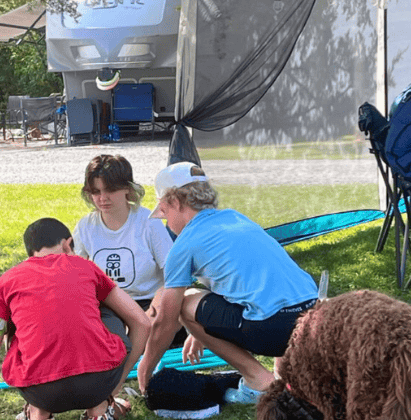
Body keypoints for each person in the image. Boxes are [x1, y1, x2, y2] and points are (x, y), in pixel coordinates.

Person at [136, 162, 319, 404]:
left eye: (164, 213)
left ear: (175, 203)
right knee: (271, 301)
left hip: (272, 330)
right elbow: (239, 280)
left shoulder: (184, 243)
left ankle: (258, 382)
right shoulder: (235, 219)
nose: (167, 223)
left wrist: (145, 367)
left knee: (184, 300)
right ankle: (283, 376)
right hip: (311, 321)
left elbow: (166, 321)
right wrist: (200, 332)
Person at [0, 218, 151, 420]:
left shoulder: (4, 283)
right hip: (99, 383)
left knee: (18, 327)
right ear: (67, 244)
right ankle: (100, 405)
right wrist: (115, 384)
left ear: (30, 253)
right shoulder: (86, 266)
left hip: (40, 390)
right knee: (107, 310)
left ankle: (38, 413)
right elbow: (141, 322)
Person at [73, 154, 174, 315]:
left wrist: (158, 301)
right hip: (108, 305)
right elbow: (76, 275)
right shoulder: (85, 226)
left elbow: (173, 272)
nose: (103, 198)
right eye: (96, 192)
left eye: (110, 190)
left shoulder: (148, 222)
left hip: (147, 301)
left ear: (127, 188)